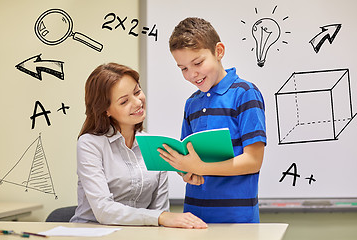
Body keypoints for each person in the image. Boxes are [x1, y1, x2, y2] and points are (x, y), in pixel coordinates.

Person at [70, 62, 207, 229]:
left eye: (137, 92)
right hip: (91, 233)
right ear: (106, 110)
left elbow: (160, 211)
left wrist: (163, 218)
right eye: (124, 101)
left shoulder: (154, 145)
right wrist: (162, 217)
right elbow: (104, 210)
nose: (137, 103)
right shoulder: (90, 144)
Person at [157, 17, 266, 223]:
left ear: (219, 51)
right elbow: (188, 159)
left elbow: (253, 161)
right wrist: (187, 171)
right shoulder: (191, 104)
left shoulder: (245, 93)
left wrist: (201, 168)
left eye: (197, 63)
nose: (192, 74)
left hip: (237, 221)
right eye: (183, 68)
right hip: (194, 217)